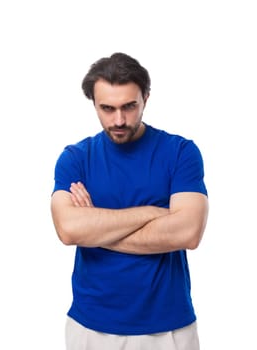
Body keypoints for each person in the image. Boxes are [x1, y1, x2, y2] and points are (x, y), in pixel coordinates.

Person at [50, 52, 209, 350]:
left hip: (168, 328)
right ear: (93, 104)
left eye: (129, 107)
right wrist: (154, 213)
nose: (119, 120)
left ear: (146, 98)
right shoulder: (75, 159)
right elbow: (69, 230)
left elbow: (188, 232)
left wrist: (96, 226)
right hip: (91, 327)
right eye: (107, 109)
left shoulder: (180, 153)